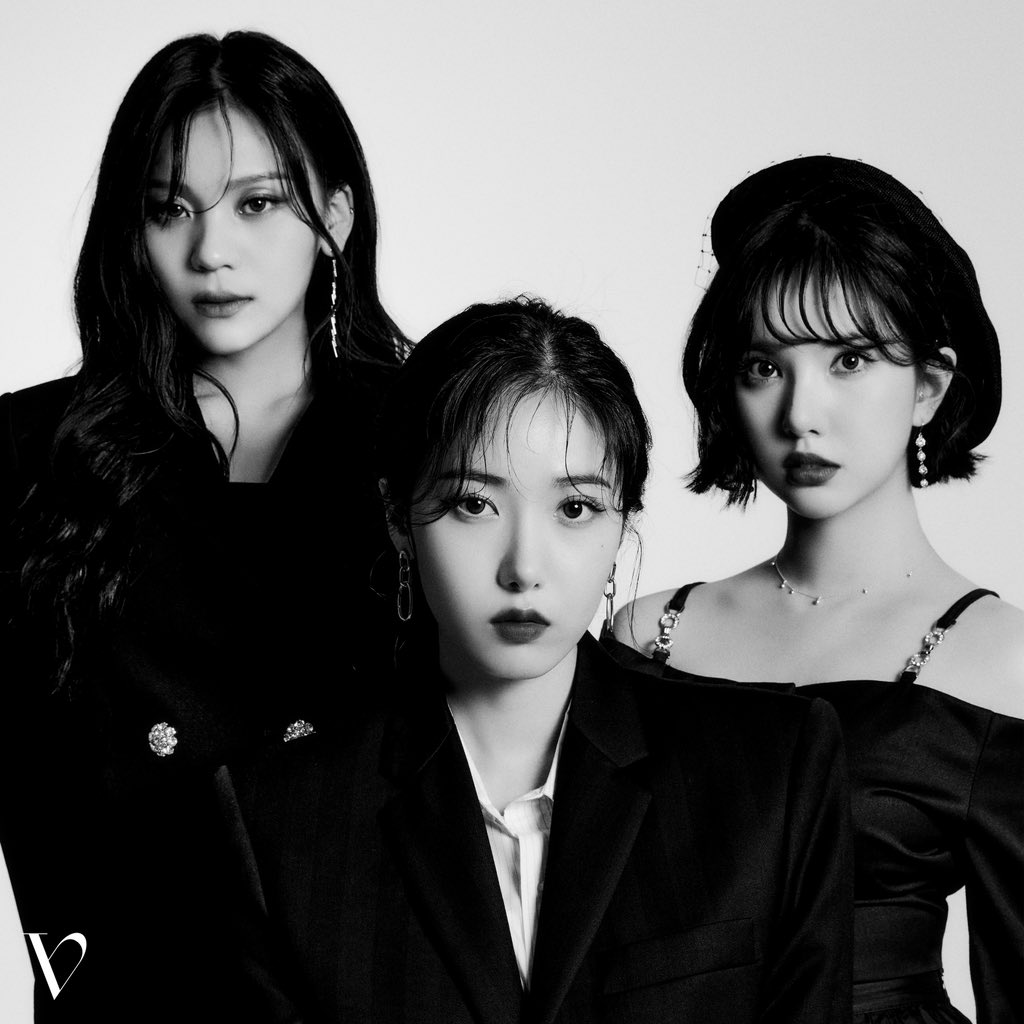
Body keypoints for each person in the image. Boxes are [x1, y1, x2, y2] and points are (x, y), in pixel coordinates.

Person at [217, 296, 852, 1023]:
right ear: (397, 517)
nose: (524, 568)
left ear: (624, 521)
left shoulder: (772, 770)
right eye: (472, 504)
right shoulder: (279, 821)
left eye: (575, 509)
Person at [0, 31, 407, 1020]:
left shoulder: (427, 442)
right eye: (169, 209)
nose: (211, 251)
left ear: (335, 216)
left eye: (257, 204)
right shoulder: (29, 454)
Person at [614, 156, 1024, 1023]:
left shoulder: (1001, 659)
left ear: (929, 386)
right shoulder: (649, 636)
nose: (801, 412)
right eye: (764, 366)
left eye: (850, 359)